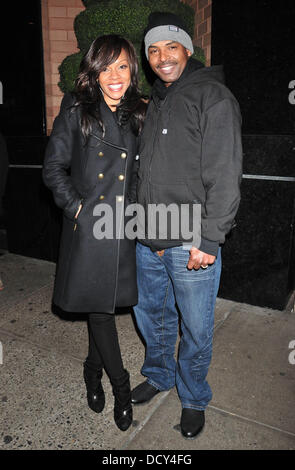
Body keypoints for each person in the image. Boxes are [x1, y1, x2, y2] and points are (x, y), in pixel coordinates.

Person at [131, 12, 243, 439]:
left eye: (170, 47)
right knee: (153, 319)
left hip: (190, 242)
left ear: (188, 50)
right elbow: (148, 171)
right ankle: (159, 375)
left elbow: (225, 174)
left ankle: (193, 396)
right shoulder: (158, 98)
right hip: (150, 239)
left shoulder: (212, 96)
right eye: (153, 50)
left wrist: (210, 240)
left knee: (195, 328)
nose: (162, 57)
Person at [43, 34, 146, 432]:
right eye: (106, 67)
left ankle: (91, 368)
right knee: (102, 312)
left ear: (132, 70)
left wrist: (134, 217)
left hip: (122, 228)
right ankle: (120, 387)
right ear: (94, 72)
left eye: (122, 66)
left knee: (99, 307)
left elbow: (136, 174)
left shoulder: (138, 112)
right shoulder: (76, 109)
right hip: (90, 230)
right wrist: (80, 208)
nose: (114, 75)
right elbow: (52, 169)